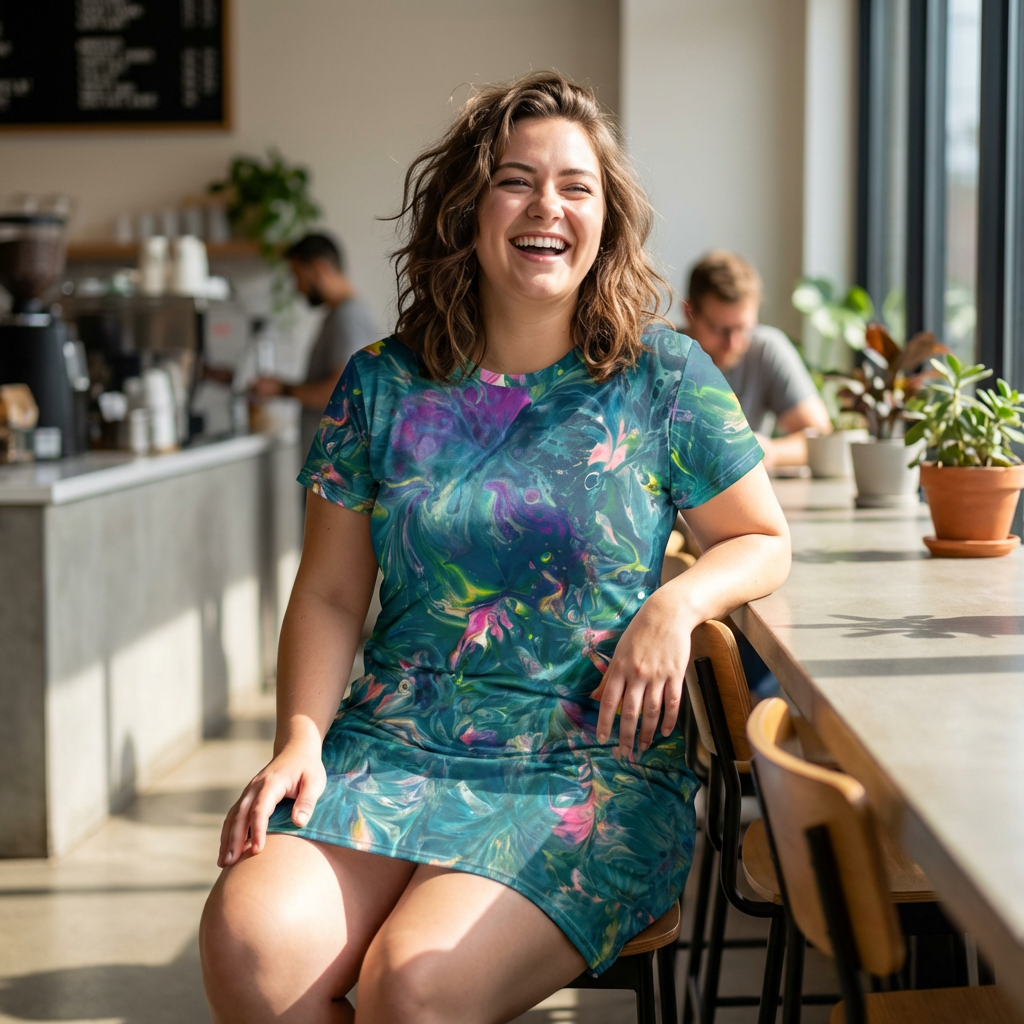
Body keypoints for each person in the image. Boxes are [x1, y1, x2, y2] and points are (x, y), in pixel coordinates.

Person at [200, 72, 791, 1024]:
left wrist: (673, 605)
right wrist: (299, 740)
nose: (546, 206)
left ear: (606, 218)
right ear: (469, 208)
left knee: (414, 984)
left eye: (576, 186)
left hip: (587, 759)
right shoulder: (379, 385)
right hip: (395, 743)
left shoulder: (665, 378)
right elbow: (328, 596)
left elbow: (762, 538)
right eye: (516, 180)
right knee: (248, 942)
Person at [683, 250, 831, 468]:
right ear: (689, 312)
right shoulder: (663, 355)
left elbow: (819, 436)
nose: (732, 343)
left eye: (742, 329)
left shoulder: (765, 349)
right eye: (719, 329)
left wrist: (768, 451)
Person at [251, 232, 379, 455]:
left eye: (297, 275)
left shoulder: (348, 317)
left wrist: (282, 388)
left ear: (319, 269)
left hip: (336, 471)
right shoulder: (343, 314)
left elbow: (340, 392)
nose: (296, 287)